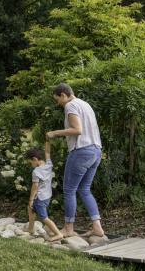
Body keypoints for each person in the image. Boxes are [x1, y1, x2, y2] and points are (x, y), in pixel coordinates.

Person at [46, 83, 105, 238]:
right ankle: (97, 227)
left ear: (63, 95)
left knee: (69, 190)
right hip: (96, 151)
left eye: (57, 99)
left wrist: (54, 133)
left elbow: (77, 130)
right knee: (84, 189)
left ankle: (68, 228)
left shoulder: (70, 106)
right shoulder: (85, 104)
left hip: (81, 152)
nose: (57, 103)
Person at [25, 141, 63, 242]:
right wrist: (47, 140)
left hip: (40, 197)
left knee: (44, 217)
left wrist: (31, 199)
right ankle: (30, 229)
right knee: (30, 209)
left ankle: (58, 234)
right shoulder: (49, 165)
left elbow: (35, 186)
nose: (31, 165)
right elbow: (47, 152)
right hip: (47, 196)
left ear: (35, 159)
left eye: (31, 162)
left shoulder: (36, 171)